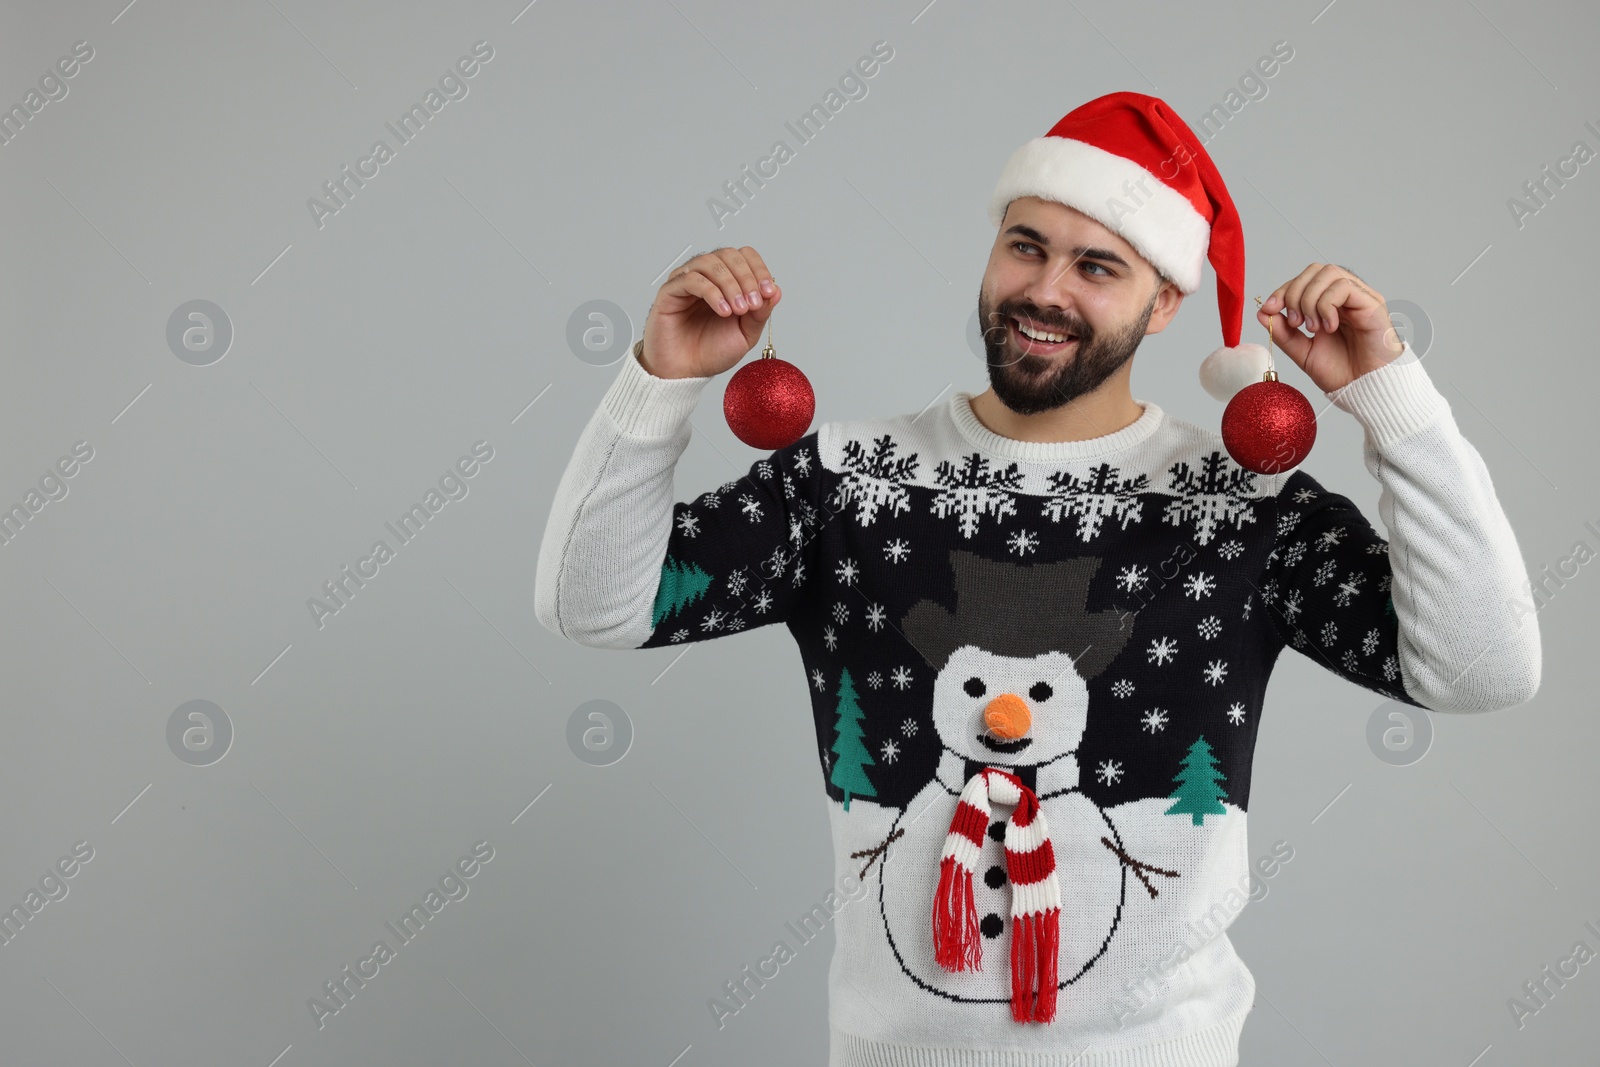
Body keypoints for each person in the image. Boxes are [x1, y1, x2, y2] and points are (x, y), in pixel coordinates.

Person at [534, 91, 1540, 1067]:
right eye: (1026, 245)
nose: (1046, 289)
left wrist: (1389, 398)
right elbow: (594, 603)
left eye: (1097, 265)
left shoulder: (1241, 507)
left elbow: (1482, 666)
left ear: (1165, 304)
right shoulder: (845, 484)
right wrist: (660, 378)